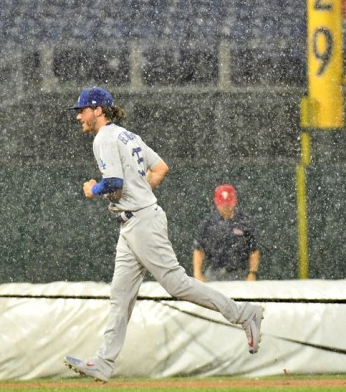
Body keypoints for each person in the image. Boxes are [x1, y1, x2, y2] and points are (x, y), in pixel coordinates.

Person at [63, 87, 264, 383]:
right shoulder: (126, 135)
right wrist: (139, 189)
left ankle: (243, 313)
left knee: (177, 284)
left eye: (83, 109)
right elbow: (160, 168)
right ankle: (104, 362)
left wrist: (93, 189)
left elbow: (114, 180)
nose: (79, 115)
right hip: (134, 221)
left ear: (98, 110)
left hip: (142, 221)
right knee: (120, 296)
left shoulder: (104, 137)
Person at [192, 184, 261, 283]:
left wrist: (252, 273)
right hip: (213, 273)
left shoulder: (245, 221)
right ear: (216, 203)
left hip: (239, 273)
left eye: (228, 204)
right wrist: (197, 273)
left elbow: (254, 249)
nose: (226, 207)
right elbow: (198, 248)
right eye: (222, 204)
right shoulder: (208, 222)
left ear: (234, 202)